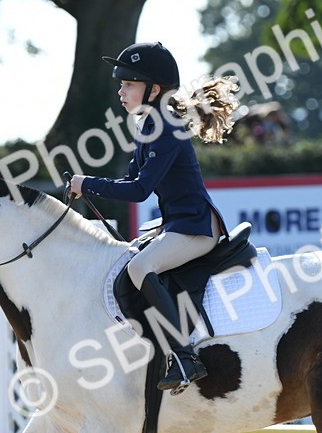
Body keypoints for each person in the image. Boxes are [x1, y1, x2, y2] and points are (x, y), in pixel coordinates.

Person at [70, 42, 239, 393]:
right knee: (129, 258)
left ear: (154, 89)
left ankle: (184, 357)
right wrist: (90, 185)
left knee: (138, 267)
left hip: (195, 227)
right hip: (177, 224)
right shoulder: (149, 124)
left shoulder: (164, 126)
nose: (121, 91)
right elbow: (132, 182)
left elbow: (139, 191)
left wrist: (88, 183)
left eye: (128, 84)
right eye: (122, 84)